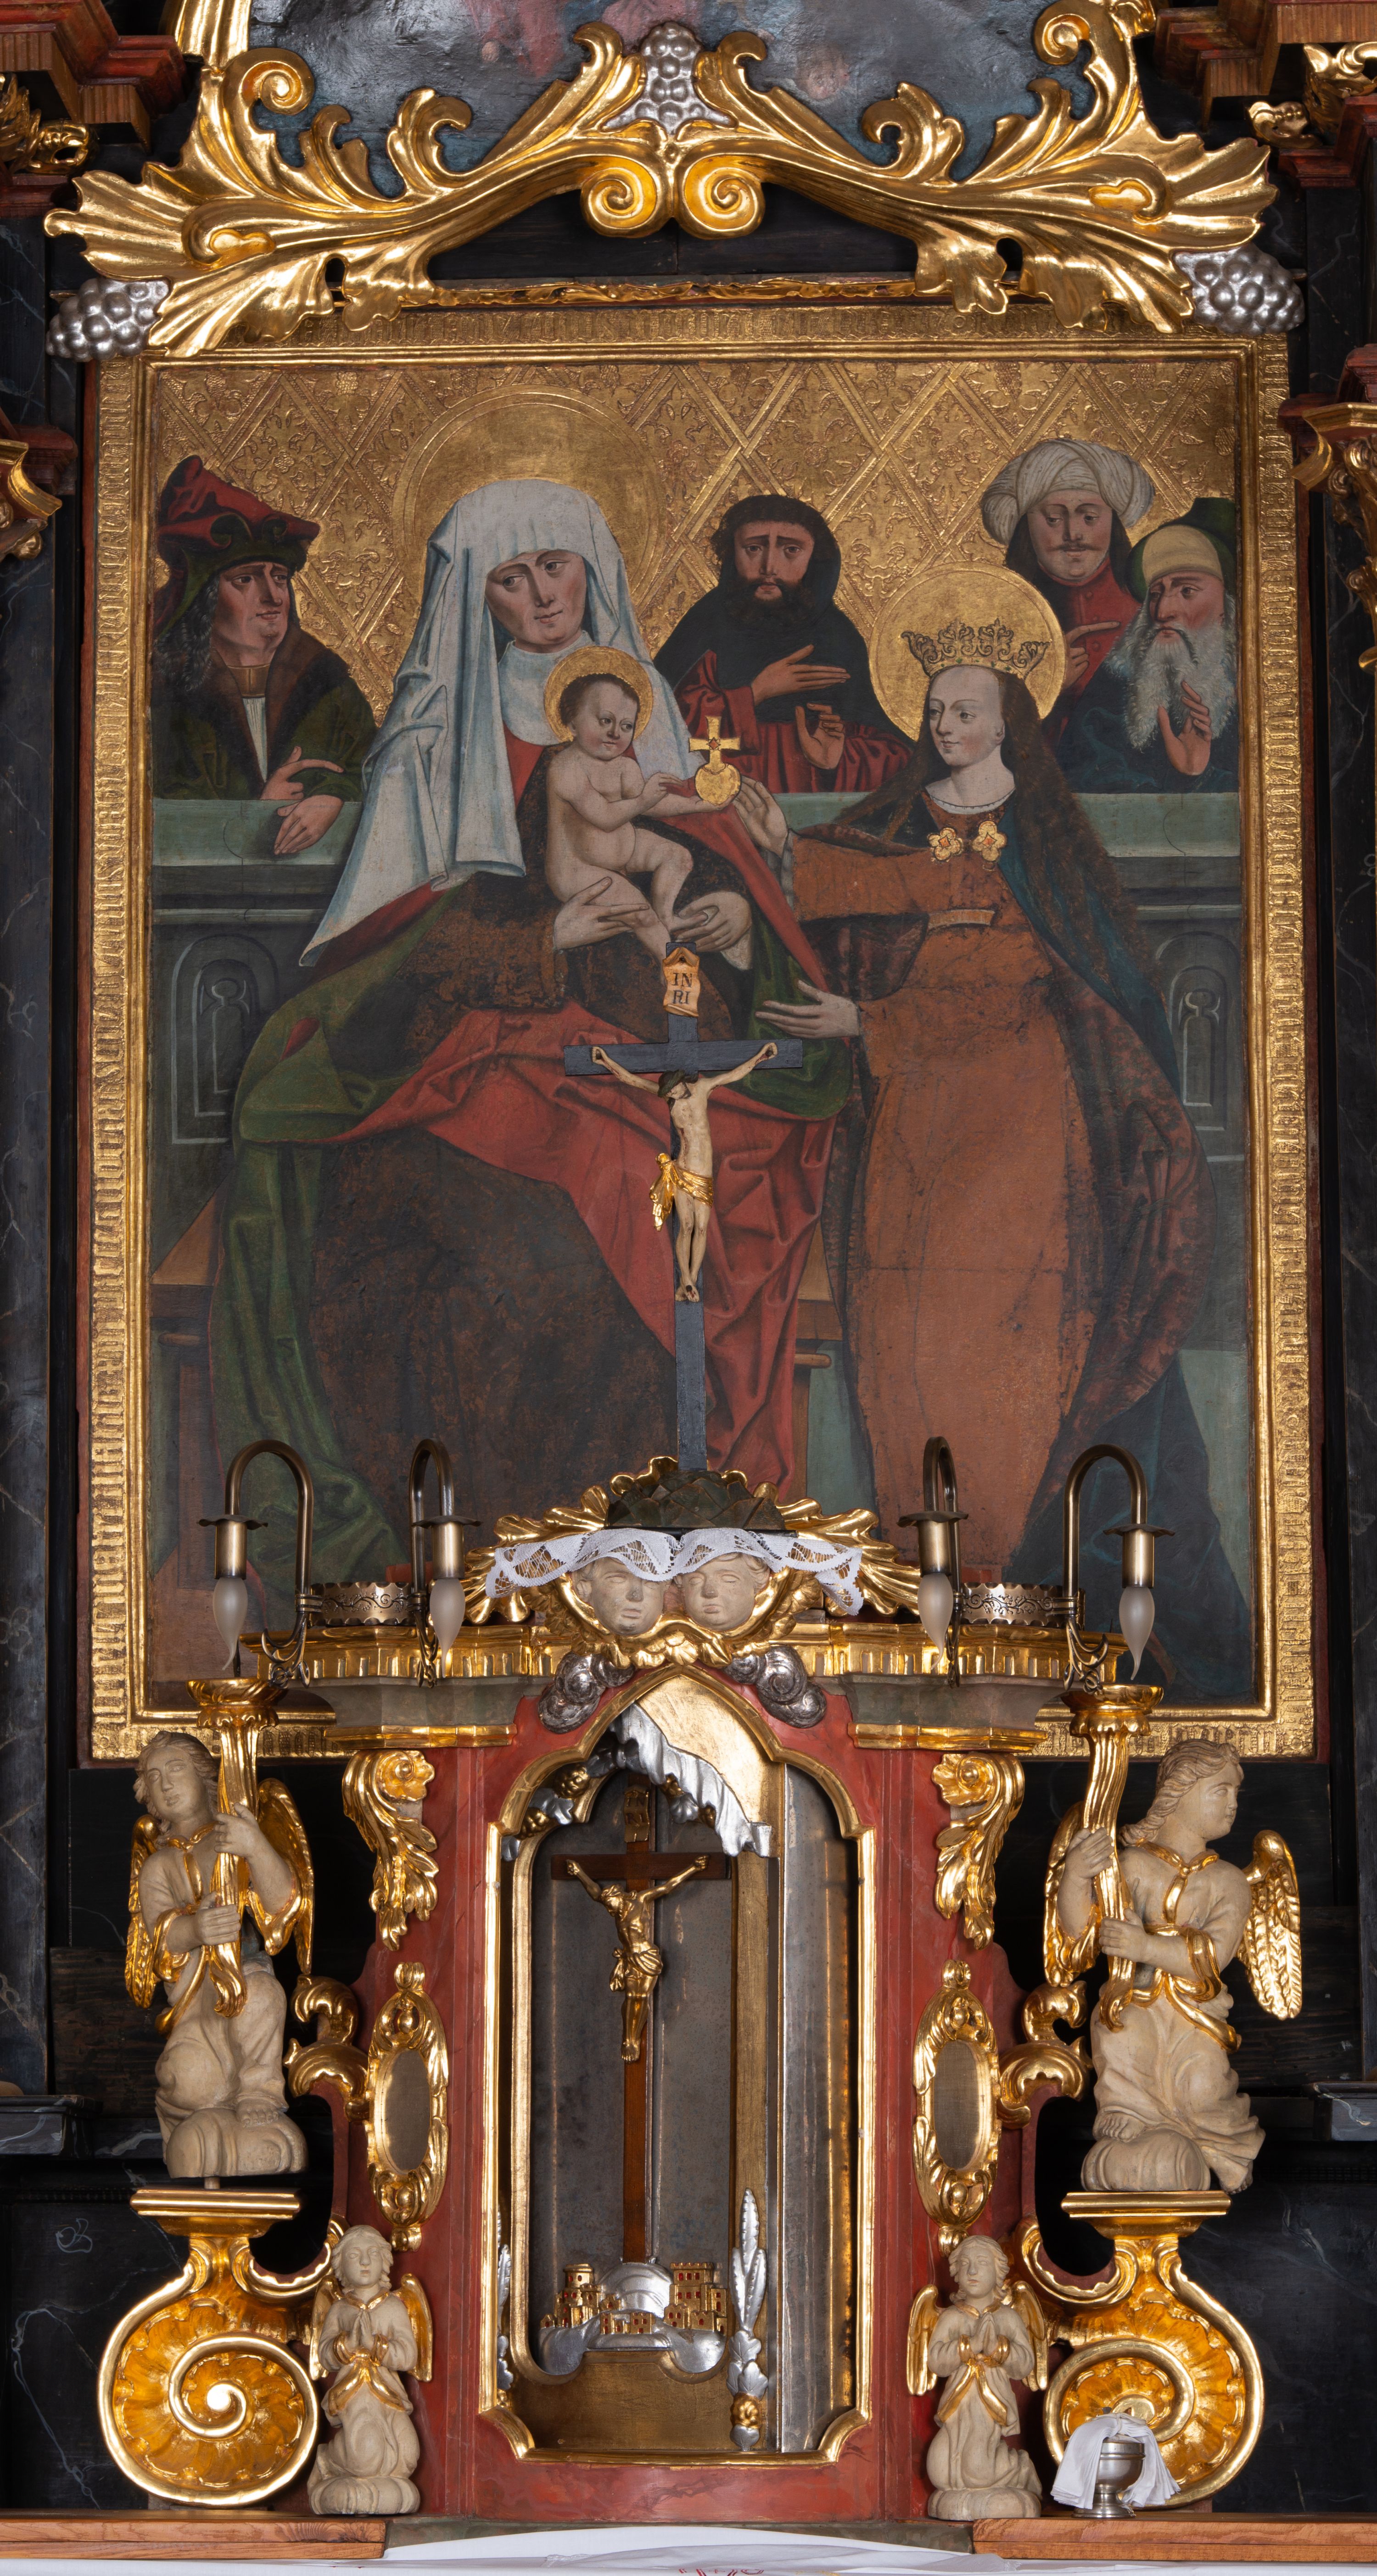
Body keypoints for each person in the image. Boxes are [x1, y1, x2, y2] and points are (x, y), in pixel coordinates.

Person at [211, 481, 853, 1599]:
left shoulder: (647, 707)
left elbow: (714, 869)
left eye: (556, 568)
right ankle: (497, 1570)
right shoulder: (435, 733)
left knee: (643, 1234)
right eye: (509, 580)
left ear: (593, 572)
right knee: (494, 1264)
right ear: (478, 599)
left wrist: (740, 921)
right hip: (467, 1048)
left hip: (647, 1034)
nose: (541, 596)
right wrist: (540, 939)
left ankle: (646, 1563)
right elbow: (399, 945)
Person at [763, 580, 1251, 1700]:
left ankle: (1011, 1581)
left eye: (967, 710)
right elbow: (813, 880)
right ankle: (926, 1590)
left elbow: (1058, 975)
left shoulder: (1042, 839)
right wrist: (756, 843)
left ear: (1008, 722)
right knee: (909, 1348)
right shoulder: (891, 825)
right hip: (908, 1145)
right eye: (935, 709)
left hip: (1028, 1137)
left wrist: (872, 1020)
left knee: (1016, 1342)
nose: (947, 726)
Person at [1053, 1739, 1262, 2192]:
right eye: (1221, 1791)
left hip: (1196, 2014)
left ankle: (1219, 2145)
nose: (1233, 1804)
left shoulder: (1229, 1882)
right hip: (1134, 2000)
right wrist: (1076, 1876)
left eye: (1236, 1794)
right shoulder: (1131, 1865)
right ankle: (1127, 2112)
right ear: (1179, 1793)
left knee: (1203, 2085)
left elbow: (1212, 1957)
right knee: (1120, 2030)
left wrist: (1144, 1946)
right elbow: (1079, 1933)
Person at [151, 455, 376, 853]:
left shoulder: (329, 686)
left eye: (280, 578)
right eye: (245, 579)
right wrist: (257, 812)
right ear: (204, 597)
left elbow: (380, 774)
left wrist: (335, 796)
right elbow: (152, 822)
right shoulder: (169, 695)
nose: (273, 597)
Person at [127, 1731, 308, 2178]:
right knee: (186, 2081)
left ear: (205, 1775)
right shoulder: (158, 1865)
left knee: (264, 1998)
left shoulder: (237, 1833)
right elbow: (160, 1937)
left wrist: (255, 1846)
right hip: (196, 2003)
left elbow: (283, 1903)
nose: (166, 1784)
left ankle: (259, 2094)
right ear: (148, 1796)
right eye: (155, 1778)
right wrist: (196, 1928)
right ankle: (213, 2134)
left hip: (245, 1977)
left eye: (176, 1769)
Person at [655, 493, 912, 794]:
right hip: (721, 797)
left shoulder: (838, 637)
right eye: (754, 548)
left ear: (814, 558)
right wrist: (758, 692)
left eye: (791, 550)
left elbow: (893, 754)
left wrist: (839, 756)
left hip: (810, 796)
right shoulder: (703, 626)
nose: (770, 567)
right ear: (732, 553)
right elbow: (656, 726)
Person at [1058, 499, 1238, 793]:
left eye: (1187, 591)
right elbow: (1080, 776)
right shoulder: (1117, 681)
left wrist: (1195, 772)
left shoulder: (1253, 688)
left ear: (1225, 608)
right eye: (1155, 594)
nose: (1163, 612)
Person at [980, 437, 1155, 729]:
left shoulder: (1153, 609)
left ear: (1112, 522)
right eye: (1053, 519)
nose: (1073, 534)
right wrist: (1046, 686)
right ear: (1026, 527)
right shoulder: (995, 621)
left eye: (1089, 517)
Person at [590, 1040, 779, 1301]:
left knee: (701, 1228)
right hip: (682, 1169)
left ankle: (689, 1280)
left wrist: (761, 1057)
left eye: (674, 1089)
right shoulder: (670, 1099)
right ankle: (687, 1282)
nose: (672, 1094)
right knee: (687, 1226)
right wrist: (605, 1061)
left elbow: (734, 1074)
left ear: (681, 1082)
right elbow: (633, 1080)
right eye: (669, 1092)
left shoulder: (703, 1088)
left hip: (704, 1173)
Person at [544, 661, 701, 958]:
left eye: (627, 726)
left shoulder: (625, 767)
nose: (616, 733)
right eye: (606, 721)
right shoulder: (565, 769)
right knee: (640, 913)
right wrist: (643, 800)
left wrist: (698, 805)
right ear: (573, 723)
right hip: (578, 869)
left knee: (678, 858)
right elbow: (604, 818)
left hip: (623, 850)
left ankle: (666, 917)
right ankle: (677, 974)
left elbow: (653, 804)